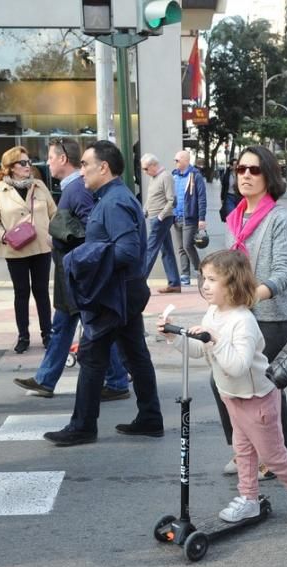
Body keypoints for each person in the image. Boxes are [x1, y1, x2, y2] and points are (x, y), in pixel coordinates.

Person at [158, 250, 287, 525]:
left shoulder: (243, 321)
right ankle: (248, 498)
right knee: (242, 452)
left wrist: (215, 340)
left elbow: (237, 365)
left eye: (212, 279)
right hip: (232, 395)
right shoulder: (213, 313)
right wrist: (176, 338)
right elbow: (199, 351)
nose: (205, 285)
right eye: (203, 278)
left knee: (272, 456)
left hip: (257, 400)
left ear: (232, 285)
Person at [43, 140, 164, 446]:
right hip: (120, 292)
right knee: (135, 355)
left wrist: (80, 258)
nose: (81, 169)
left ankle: (83, 426)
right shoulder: (113, 198)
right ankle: (150, 417)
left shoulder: (114, 202)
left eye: (85, 164)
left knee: (92, 357)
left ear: (103, 167)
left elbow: (126, 251)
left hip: (113, 296)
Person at [218, 145, 287, 475]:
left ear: (268, 176)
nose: (246, 176)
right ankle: (247, 450)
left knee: (265, 390)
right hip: (239, 315)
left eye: (255, 170)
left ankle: (276, 457)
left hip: (274, 317)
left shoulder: (279, 218)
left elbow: (283, 271)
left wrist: (251, 297)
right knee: (225, 383)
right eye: (241, 170)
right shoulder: (234, 218)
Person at [13, 138, 92, 398]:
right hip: (71, 271)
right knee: (70, 325)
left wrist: (60, 240)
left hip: (75, 271)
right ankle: (46, 379)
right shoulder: (72, 188)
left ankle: (114, 379)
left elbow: (89, 230)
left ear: (63, 159)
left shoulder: (76, 189)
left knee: (89, 328)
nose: (46, 162)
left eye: (50, 157)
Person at [0, 146, 57, 354]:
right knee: (21, 292)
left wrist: (53, 235)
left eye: (29, 162)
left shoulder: (39, 185)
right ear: (10, 167)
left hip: (42, 247)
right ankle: (23, 335)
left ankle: (47, 334)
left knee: (42, 292)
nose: (28, 166)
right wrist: (4, 236)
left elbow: (55, 213)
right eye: (23, 163)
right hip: (15, 249)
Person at [140, 153, 181, 293]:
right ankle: (174, 283)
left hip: (161, 219)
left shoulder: (166, 176)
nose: (145, 172)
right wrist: (144, 211)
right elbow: (151, 198)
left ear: (153, 165)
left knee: (150, 249)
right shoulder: (154, 178)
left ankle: (138, 283)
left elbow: (172, 200)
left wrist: (160, 217)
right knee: (166, 250)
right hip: (155, 217)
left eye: (146, 168)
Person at [171, 149, 207, 285]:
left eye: (177, 160)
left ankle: (201, 271)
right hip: (176, 217)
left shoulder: (195, 176)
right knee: (181, 248)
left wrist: (202, 218)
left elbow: (202, 198)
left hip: (190, 218)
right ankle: (185, 275)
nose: (175, 162)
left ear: (186, 160)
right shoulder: (174, 175)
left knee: (187, 245)